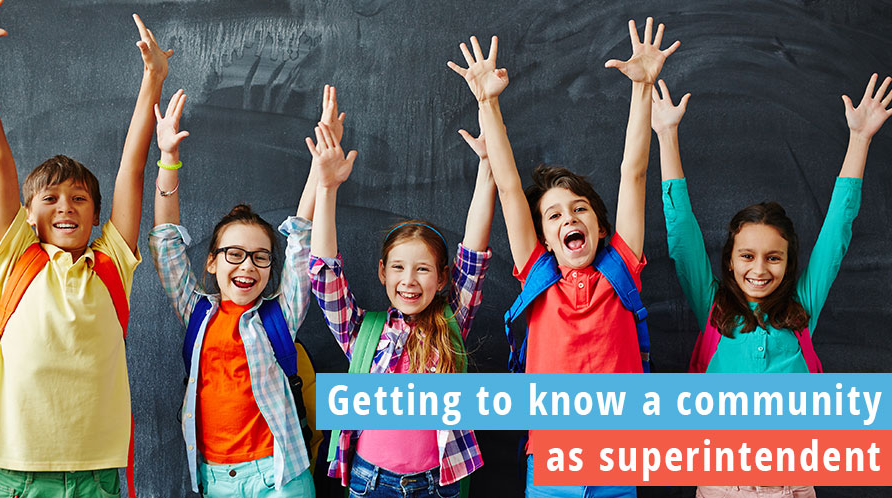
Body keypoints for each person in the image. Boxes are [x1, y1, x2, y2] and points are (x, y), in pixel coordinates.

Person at [0, 0, 171, 494]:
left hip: (95, 476)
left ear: (96, 214)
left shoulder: (110, 264)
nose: (65, 206)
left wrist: (152, 79)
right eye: (50, 198)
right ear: (28, 214)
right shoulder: (16, 257)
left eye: (79, 198)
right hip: (15, 474)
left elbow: (131, 170)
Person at [447, 18, 679, 498]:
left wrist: (643, 89)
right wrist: (487, 102)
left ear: (598, 225)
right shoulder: (539, 273)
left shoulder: (621, 267)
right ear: (546, 239)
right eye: (552, 216)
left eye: (579, 209)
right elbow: (511, 190)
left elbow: (632, 174)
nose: (568, 219)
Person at [654, 74, 892, 498]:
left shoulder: (802, 309)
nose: (759, 269)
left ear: (789, 261)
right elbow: (681, 232)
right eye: (747, 255)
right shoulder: (713, 307)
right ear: (729, 260)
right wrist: (667, 135)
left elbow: (836, 231)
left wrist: (859, 141)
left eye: (773, 257)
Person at [148, 85, 347, 497]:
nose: (247, 266)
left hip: (279, 476)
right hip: (214, 479)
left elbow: (301, 238)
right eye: (234, 254)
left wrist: (319, 169)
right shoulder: (197, 314)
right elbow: (166, 245)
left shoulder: (281, 315)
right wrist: (168, 159)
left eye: (260, 257)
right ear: (212, 261)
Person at [308, 108, 496, 497]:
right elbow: (324, 275)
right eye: (398, 268)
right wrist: (326, 190)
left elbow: (474, 256)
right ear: (382, 272)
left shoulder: (451, 323)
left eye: (423, 270)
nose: (409, 281)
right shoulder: (362, 332)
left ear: (442, 278)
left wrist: (488, 167)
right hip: (370, 482)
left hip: (437, 485)